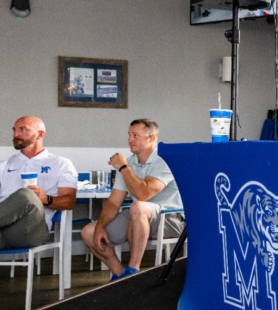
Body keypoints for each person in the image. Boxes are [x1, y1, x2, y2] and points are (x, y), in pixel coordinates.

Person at [81, 119, 184, 281]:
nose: (130, 140)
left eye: (135, 135)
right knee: (88, 232)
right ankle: (121, 276)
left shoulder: (165, 159)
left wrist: (122, 168)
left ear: (151, 138)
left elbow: (143, 193)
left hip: (170, 219)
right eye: (129, 135)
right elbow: (114, 202)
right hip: (139, 216)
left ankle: (133, 270)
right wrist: (100, 226)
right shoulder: (130, 162)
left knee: (138, 206)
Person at [0, 116, 77, 249]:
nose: (16, 134)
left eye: (23, 129)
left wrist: (46, 199)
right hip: (3, 230)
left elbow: (69, 202)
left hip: (31, 230)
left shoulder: (61, 164)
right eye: (14, 130)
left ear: (40, 134)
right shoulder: (4, 165)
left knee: (27, 195)